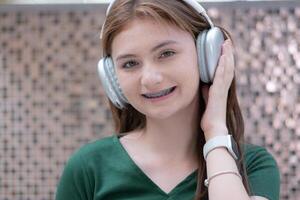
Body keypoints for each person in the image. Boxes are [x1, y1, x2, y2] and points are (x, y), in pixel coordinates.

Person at [55, 0, 280, 200]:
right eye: (130, 64)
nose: (150, 79)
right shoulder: (89, 168)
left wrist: (215, 131)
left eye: (166, 53)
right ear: (112, 78)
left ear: (207, 56)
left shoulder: (252, 166)